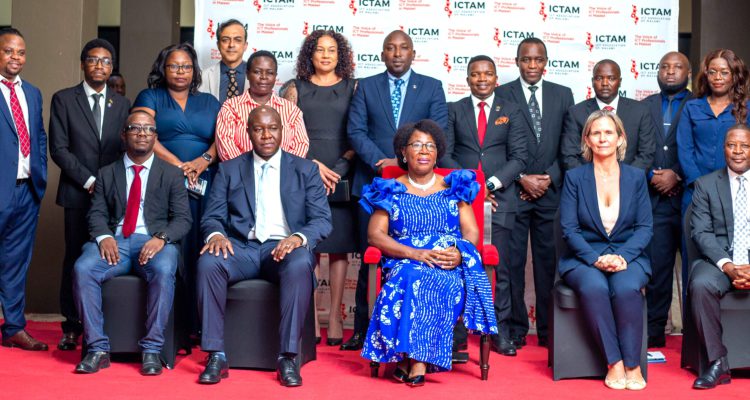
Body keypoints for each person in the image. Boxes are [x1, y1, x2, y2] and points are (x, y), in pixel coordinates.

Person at [196, 106, 331, 387]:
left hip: (283, 248)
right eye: (258, 129)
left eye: (272, 128)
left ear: (283, 131)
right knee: (209, 262)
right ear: (248, 132)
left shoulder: (305, 169)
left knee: (301, 262)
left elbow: (321, 220)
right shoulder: (229, 169)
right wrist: (216, 235)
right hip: (241, 248)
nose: (266, 135)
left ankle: (287, 357)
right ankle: (215, 354)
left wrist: (297, 238)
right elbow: (212, 217)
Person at [360, 119, 497, 386]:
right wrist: (414, 253)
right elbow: (375, 235)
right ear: (403, 152)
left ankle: (410, 359)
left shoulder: (455, 187)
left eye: (430, 146)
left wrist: (459, 253)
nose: (424, 151)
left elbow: (471, 231)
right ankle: (416, 360)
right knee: (411, 275)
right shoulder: (389, 189)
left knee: (439, 280)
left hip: (446, 261)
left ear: (437, 153)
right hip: (404, 259)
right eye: (417, 145)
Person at [343, 30, 448, 351]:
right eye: (390, 48)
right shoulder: (366, 86)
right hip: (373, 184)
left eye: (403, 48)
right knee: (371, 258)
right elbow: (356, 130)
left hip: (420, 190)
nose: (397, 53)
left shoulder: (431, 86)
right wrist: (382, 163)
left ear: (413, 54)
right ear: (382, 54)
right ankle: (363, 329)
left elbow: (438, 132)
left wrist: (405, 162)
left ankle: (421, 332)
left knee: (419, 260)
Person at [73, 110, 192, 375]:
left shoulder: (171, 174)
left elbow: (183, 219)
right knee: (83, 268)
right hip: (115, 242)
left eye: (148, 129)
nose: (142, 133)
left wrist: (161, 238)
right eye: (135, 128)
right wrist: (104, 237)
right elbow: (96, 214)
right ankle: (97, 349)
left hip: (154, 243)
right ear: (123, 134)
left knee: (164, 268)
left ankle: (152, 350)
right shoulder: (106, 173)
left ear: (156, 137)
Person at [133, 43, 222, 338]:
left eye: (186, 66)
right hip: (164, 182)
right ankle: (172, 326)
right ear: (164, 69)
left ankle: (198, 324)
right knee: (171, 246)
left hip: (205, 182)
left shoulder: (209, 101)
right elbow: (144, 133)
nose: (180, 71)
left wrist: (203, 160)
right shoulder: (150, 96)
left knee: (199, 246)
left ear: (194, 70)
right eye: (173, 66)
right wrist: (180, 166)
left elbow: (221, 139)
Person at [441, 55, 528, 356]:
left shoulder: (511, 110)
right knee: (458, 265)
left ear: (495, 79)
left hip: (500, 202)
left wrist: (489, 186)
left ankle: (499, 331)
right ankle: (457, 333)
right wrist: (473, 189)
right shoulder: (454, 110)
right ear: (467, 79)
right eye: (475, 74)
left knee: (499, 269)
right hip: (461, 201)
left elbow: (519, 157)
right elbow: (445, 154)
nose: (481, 79)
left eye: (487, 74)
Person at [559, 110, 652, 390]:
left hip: (628, 255)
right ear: (587, 140)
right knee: (594, 287)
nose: (602, 139)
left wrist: (622, 256)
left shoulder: (636, 177)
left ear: (620, 138)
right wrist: (595, 259)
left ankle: (633, 364)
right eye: (596, 133)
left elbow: (645, 228)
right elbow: (569, 229)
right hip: (584, 257)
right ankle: (615, 362)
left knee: (626, 288)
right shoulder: (575, 178)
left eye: (609, 132)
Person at [49, 38, 130, 351]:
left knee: (109, 256)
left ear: (112, 67)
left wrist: (109, 184)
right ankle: (71, 326)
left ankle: (102, 323)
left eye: (106, 61)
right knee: (75, 257)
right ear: (83, 64)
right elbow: (59, 148)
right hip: (77, 192)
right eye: (94, 60)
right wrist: (89, 180)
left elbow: (125, 149)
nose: (100, 66)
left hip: (112, 197)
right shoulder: (64, 99)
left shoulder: (122, 104)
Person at [495, 38, 574, 349]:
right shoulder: (502, 94)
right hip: (514, 193)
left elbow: (569, 144)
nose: (531, 65)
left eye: (537, 59)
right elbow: (498, 145)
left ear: (545, 62)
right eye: (526, 59)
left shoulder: (562, 94)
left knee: (548, 265)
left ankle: (548, 329)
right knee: (511, 264)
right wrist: (521, 178)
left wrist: (548, 178)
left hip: (551, 193)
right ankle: (516, 328)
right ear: (517, 61)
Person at [283, 30, 357, 346]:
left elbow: (358, 133)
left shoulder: (353, 88)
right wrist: (312, 165)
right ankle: (312, 316)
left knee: (339, 249)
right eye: (320, 50)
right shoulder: (294, 88)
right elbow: (285, 135)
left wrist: (338, 169)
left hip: (342, 172)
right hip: (304, 172)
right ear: (309, 55)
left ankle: (336, 316)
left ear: (340, 55)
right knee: (309, 247)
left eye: (332, 50)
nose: (326, 55)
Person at [688, 124, 750, 390]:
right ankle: (717, 362)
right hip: (720, 261)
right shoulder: (706, 185)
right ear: (724, 149)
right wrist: (729, 266)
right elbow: (701, 233)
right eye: (731, 145)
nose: (737, 151)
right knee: (701, 283)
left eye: (744, 146)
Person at [0, 28, 48, 351]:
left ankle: (14, 328)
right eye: (8, 51)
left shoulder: (32, 92)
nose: (15, 57)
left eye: (20, 52)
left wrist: (39, 173)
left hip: (26, 191)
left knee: (16, 263)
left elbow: (38, 135)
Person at [640, 51, 692, 348]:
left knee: (695, 270)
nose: (670, 71)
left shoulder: (699, 105)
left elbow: (702, 149)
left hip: (689, 201)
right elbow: (633, 146)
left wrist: (677, 174)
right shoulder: (644, 106)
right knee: (657, 269)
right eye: (665, 67)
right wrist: (652, 175)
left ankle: (697, 334)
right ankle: (655, 331)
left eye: (677, 67)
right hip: (654, 201)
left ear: (688, 72)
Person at [561, 59, 657, 172]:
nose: (605, 83)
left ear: (620, 82)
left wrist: (627, 178)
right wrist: (589, 179)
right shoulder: (576, 112)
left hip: (630, 180)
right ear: (592, 81)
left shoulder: (640, 111)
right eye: (599, 78)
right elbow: (569, 155)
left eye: (611, 78)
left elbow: (646, 153)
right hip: (587, 180)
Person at [215, 50, 308, 161]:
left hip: (284, 171)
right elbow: (225, 145)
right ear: (247, 74)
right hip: (241, 171)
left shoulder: (291, 109)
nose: (264, 77)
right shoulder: (230, 108)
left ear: (275, 76)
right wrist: (250, 168)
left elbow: (300, 144)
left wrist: (279, 168)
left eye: (270, 73)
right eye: (257, 72)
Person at [198, 19, 250, 103]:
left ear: (245, 45)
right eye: (225, 40)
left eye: (237, 40)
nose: (231, 45)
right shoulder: (203, 77)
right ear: (218, 45)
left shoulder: (259, 76)